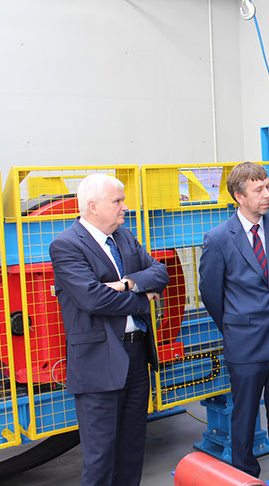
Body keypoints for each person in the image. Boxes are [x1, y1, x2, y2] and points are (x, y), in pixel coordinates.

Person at [49, 174, 169, 486]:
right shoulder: (66, 245)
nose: (124, 206)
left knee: (132, 450)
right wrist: (142, 298)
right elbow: (93, 299)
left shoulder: (124, 237)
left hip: (136, 355)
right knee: (101, 457)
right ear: (92, 206)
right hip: (97, 362)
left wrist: (126, 284)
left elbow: (160, 272)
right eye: (117, 201)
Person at [199, 162, 269, 478]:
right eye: (258, 190)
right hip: (245, 343)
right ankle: (244, 475)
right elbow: (211, 293)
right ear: (239, 196)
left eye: (267, 187)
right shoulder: (218, 239)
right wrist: (235, 326)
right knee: (244, 415)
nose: (267, 194)